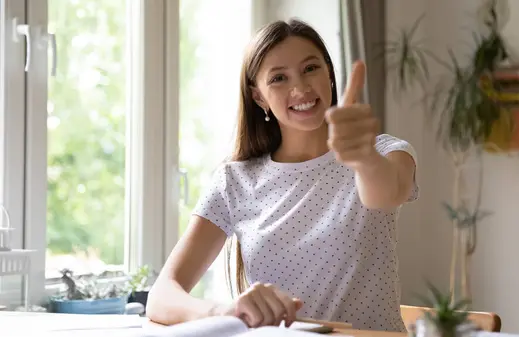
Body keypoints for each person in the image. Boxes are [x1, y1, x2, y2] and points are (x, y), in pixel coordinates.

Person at [146, 18, 419, 332]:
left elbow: (386, 193)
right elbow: (162, 295)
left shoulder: (385, 152)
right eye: (278, 78)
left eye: (310, 68)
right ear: (258, 96)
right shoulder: (234, 181)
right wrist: (226, 310)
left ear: (330, 74)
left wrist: (364, 159)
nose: (300, 88)